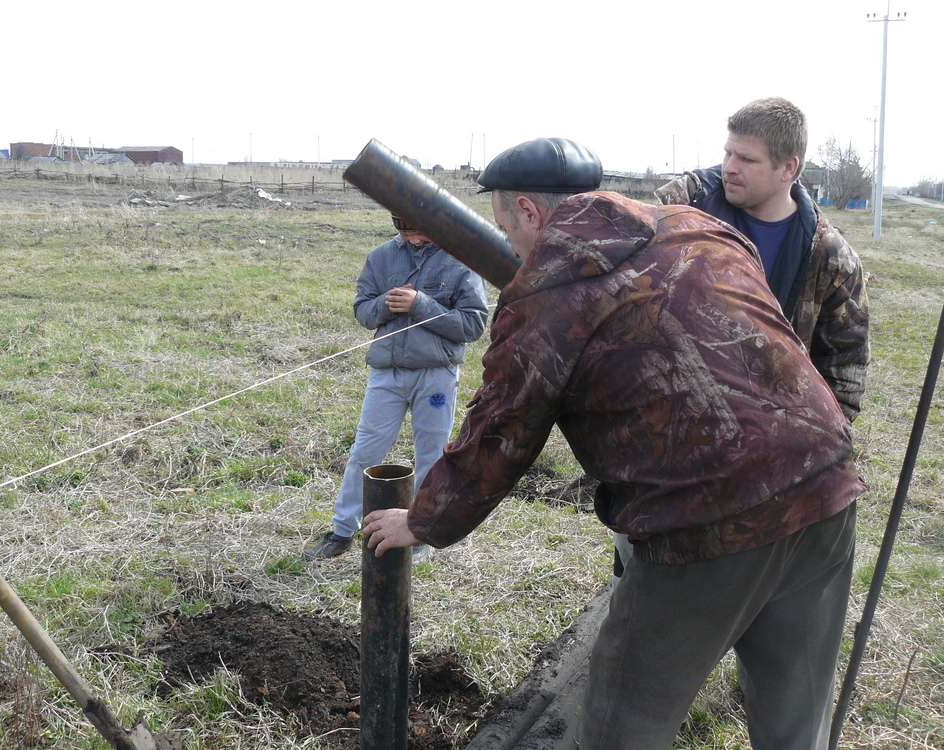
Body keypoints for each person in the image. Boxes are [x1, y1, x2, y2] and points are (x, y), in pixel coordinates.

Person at [361, 137, 866, 749]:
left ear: (529, 212)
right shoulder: (694, 226)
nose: (512, 247)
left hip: (708, 517)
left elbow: (503, 429)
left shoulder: (546, 296)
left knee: (624, 719)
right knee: (795, 717)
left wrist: (425, 518)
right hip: (826, 487)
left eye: (504, 226)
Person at [608, 96, 872, 582]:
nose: (729, 167)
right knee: (643, 588)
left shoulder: (829, 258)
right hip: (665, 443)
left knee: (750, 595)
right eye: (728, 153)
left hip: (763, 468)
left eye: (746, 159)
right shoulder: (681, 203)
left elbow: (844, 376)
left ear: (788, 168)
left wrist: (792, 454)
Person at [302, 215, 488, 562]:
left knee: (431, 455)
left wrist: (421, 305)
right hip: (386, 375)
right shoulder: (381, 257)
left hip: (436, 376)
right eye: (405, 233)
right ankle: (343, 531)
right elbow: (363, 312)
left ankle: (422, 535)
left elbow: (474, 324)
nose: (413, 240)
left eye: (420, 233)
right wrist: (384, 305)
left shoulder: (462, 261)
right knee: (365, 451)